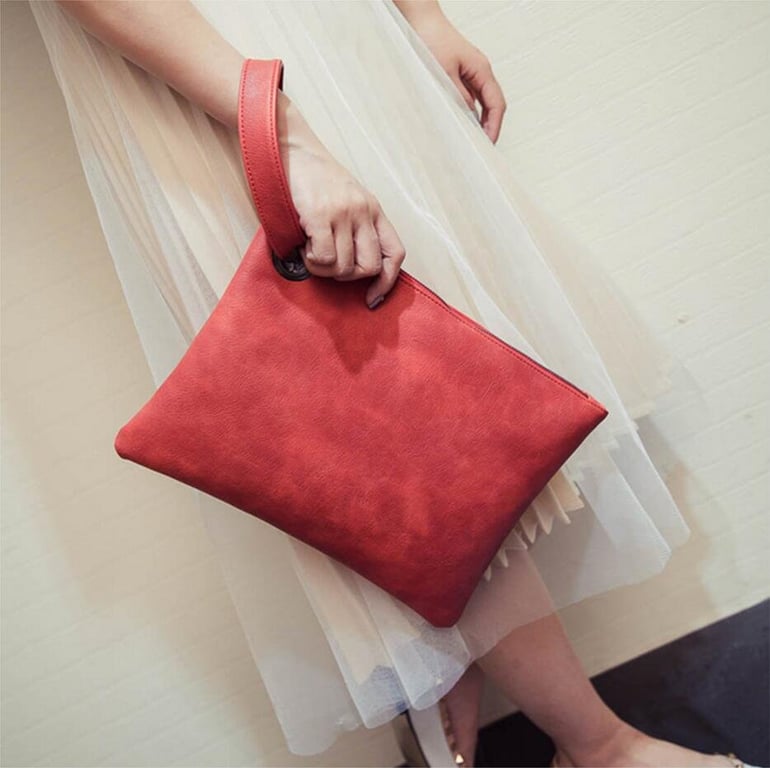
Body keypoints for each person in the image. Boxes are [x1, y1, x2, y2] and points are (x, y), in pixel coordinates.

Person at [29, 1, 756, 766]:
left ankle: (469, 668)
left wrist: (423, 17)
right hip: (199, 73)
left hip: (339, 44)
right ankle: (598, 747)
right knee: (394, 448)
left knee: (452, 394)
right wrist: (282, 131)